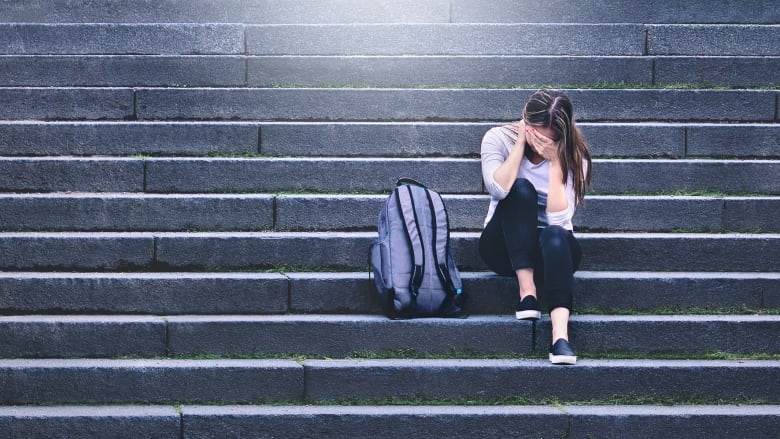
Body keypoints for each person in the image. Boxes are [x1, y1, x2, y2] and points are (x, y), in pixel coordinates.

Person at [479, 89, 592, 365]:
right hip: (503, 246)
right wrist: (519, 145)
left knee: (555, 235)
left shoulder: (576, 158)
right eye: (534, 131)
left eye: (547, 138)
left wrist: (555, 163)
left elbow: (560, 223)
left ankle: (560, 337)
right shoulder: (497, 139)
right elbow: (497, 187)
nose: (538, 141)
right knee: (520, 190)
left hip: (552, 251)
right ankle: (527, 293)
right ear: (524, 119)